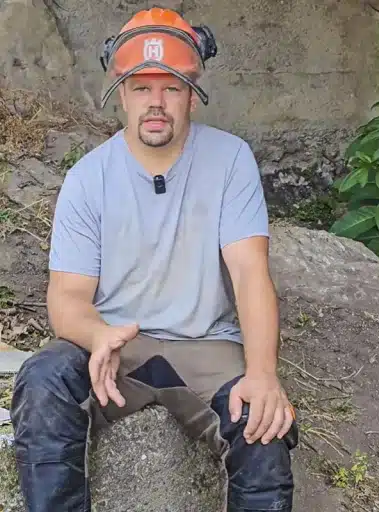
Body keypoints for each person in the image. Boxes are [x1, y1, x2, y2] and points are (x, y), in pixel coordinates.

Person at [10, 8, 296, 511]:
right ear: (121, 93)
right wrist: (99, 336)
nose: (157, 103)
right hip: (117, 346)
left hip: (207, 345)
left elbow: (251, 272)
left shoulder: (230, 160)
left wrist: (263, 372)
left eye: (172, 87)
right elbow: (68, 298)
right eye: (142, 88)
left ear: (193, 93)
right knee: (43, 379)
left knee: (263, 428)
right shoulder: (87, 179)